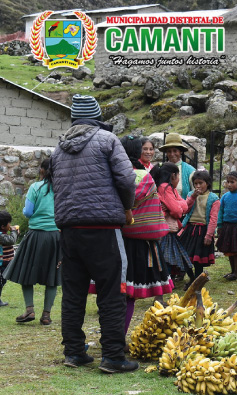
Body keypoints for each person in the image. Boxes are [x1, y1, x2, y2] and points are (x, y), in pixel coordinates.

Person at [51, 94, 138, 373]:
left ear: (74, 119)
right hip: (102, 227)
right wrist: (126, 207)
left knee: (73, 292)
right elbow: (126, 178)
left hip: (69, 230)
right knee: (111, 291)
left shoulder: (59, 149)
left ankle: (74, 352)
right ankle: (113, 356)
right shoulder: (107, 140)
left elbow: (57, 186)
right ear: (98, 117)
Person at [115, 136, 174, 335]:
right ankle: (118, 337)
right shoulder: (146, 177)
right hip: (140, 243)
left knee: (113, 291)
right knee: (128, 293)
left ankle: (111, 335)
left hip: (114, 238)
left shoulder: (112, 175)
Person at [4, 160, 61, 324]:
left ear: (42, 170)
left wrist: (25, 210)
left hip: (36, 235)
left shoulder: (36, 188)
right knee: (53, 275)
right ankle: (46, 315)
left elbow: (28, 212)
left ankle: (29, 310)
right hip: (55, 236)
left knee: (26, 272)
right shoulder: (62, 189)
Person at [154, 162, 196, 289]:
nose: (178, 179)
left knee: (173, 255)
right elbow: (178, 211)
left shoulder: (168, 188)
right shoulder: (165, 188)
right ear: (173, 176)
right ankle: (168, 283)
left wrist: (178, 206)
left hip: (170, 228)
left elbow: (182, 205)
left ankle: (183, 280)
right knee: (168, 257)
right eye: (178, 176)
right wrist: (178, 206)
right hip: (167, 229)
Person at [180, 170, 220, 280]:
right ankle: (192, 278)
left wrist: (209, 235)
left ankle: (196, 281)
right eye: (195, 184)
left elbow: (213, 219)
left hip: (203, 231)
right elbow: (185, 209)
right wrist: (192, 197)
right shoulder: (190, 195)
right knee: (184, 256)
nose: (198, 186)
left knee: (198, 260)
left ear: (207, 183)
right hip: (190, 229)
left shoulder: (213, 198)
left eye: (200, 183)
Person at [159, 133, 195, 199]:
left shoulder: (190, 171)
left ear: (180, 151)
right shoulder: (160, 169)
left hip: (185, 208)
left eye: (175, 151)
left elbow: (195, 193)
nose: (172, 154)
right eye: (169, 151)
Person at [0, 210, 18, 307]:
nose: (10, 225)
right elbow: (11, 240)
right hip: (2, 263)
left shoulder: (4, 233)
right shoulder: (1, 235)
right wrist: (14, 231)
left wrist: (15, 233)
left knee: (3, 281)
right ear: (3, 226)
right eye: (9, 223)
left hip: (5, 263)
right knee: (1, 281)